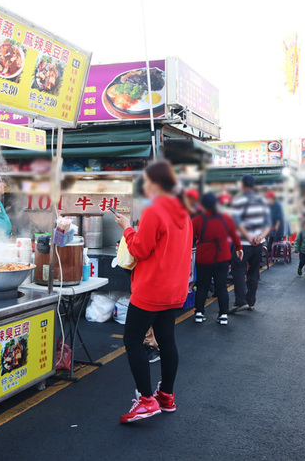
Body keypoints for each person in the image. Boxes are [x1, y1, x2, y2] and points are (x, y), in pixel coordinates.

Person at [112, 161, 192, 424]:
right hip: (174, 289)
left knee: (132, 339)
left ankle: (146, 400)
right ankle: (166, 395)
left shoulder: (154, 210)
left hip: (151, 289)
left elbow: (140, 249)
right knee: (166, 340)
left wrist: (127, 228)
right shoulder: (183, 211)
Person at [193, 193, 243, 325]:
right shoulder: (226, 218)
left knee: (202, 286)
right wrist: (239, 248)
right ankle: (223, 315)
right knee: (221, 286)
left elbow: (190, 237)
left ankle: (199, 313)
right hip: (222, 256)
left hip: (203, 257)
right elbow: (234, 234)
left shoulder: (197, 219)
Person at [230, 175, 271, 313]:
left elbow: (237, 223)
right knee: (253, 272)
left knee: (238, 271)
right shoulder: (262, 201)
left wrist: (249, 238)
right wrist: (260, 237)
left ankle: (240, 301)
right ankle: (251, 301)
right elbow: (268, 224)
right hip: (258, 245)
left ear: (242, 185)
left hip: (242, 243)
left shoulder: (238, 200)